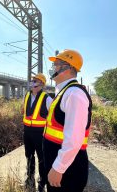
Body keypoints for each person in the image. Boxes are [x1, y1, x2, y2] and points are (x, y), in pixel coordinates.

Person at [43, 49, 92, 192]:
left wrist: (58, 168)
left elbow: (74, 139)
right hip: (61, 165)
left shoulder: (74, 94)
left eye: (56, 64)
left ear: (68, 68)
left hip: (68, 170)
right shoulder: (64, 92)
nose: (53, 68)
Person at [23, 73, 53, 192]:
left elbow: (52, 118)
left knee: (42, 158)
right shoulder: (26, 96)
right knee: (29, 156)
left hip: (40, 134)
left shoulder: (47, 99)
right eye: (32, 81)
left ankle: (42, 181)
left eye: (35, 81)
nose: (33, 83)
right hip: (27, 132)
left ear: (42, 84)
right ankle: (30, 178)